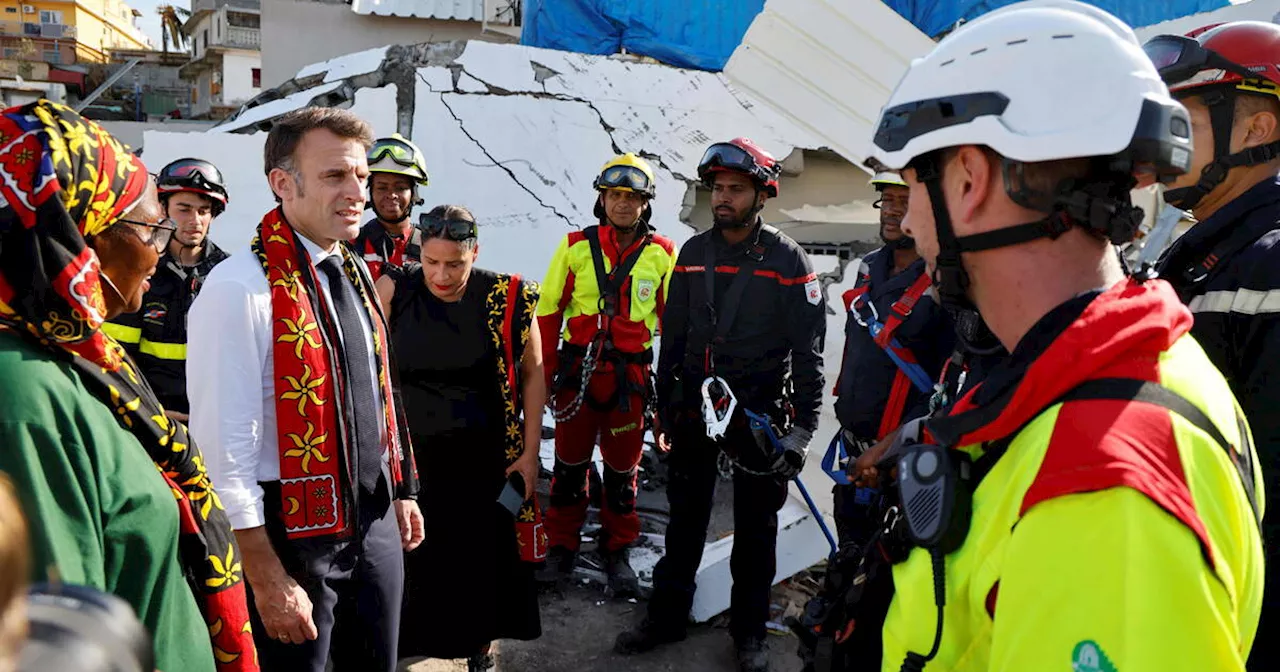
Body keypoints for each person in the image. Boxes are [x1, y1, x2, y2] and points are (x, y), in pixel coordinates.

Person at [864, 1, 1264, 669]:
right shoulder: (1117, 367)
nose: (908, 227)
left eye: (914, 184)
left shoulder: (1101, 486)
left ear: (969, 179)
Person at [0, 100, 256, 672]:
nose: (159, 247)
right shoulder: (24, 398)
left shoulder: (75, 358)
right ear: (81, 234)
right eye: (151, 227)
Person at [186, 106, 424, 672]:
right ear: (282, 183)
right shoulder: (240, 289)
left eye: (361, 177)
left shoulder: (352, 270)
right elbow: (223, 451)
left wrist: (401, 487)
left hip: (373, 519)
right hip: (292, 535)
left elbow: (378, 388)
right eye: (336, 176)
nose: (358, 193)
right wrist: (265, 576)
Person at [614, 137, 826, 672]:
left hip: (758, 419)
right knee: (685, 521)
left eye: (736, 189)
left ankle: (749, 636)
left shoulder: (788, 260)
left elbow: (808, 356)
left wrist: (801, 434)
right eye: (718, 189)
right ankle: (665, 617)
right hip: (694, 412)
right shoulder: (692, 254)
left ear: (761, 194)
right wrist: (665, 409)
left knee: (757, 532)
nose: (724, 198)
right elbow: (675, 337)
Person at [1144, 22, 1280, 667]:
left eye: (1182, 122)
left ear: (1257, 130)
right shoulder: (1211, 252)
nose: (1163, 144)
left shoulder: (1268, 260)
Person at [374, 205, 544, 672]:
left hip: (483, 457)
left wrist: (529, 454)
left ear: (475, 253)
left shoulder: (506, 297)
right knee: (413, 554)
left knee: (478, 556)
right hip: (412, 457)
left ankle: (479, 646)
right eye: (431, 262)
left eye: (455, 264)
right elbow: (370, 368)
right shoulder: (395, 288)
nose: (441, 275)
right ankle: (407, 641)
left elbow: (533, 374)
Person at [536, 153, 677, 594]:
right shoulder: (575, 245)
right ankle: (561, 545)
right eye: (615, 195)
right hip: (577, 374)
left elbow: (672, 324)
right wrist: (542, 381)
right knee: (568, 467)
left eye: (633, 197)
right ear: (602, 199)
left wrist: (670, 395)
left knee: (622, 471)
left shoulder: (662, 254)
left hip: (629, 384)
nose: (623, 204)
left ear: (645, 204)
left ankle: (617, 548)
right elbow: (547, 314)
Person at [101, 157, 230, 420]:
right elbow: (116, 355)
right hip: (149, 416)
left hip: (211, 419)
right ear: (163, 209)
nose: (195, 220)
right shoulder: (141, 270)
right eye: (184, 209)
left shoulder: (228, 273)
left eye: (204, 210)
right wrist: (148, 411)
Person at [350, 133, 430, 281]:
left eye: (400, 188)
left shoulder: (431, 245)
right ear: (371, 192)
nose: (391, 194)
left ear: (414, 194)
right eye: (382, 187)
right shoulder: (351, 245)